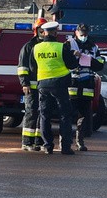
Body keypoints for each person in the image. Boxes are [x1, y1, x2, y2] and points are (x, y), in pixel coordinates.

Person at [30, 21, 78, 155]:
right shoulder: (61, 47)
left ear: (44, 33)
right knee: (65, 115)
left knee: (45, 115)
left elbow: (33, 68)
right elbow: (72, 65)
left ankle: (48, 146)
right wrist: (75, 56)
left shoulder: (36, 48)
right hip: (60, 85)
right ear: (55, 32)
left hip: (43, 85)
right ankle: (65, 147)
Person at [67, 24, 104, 151]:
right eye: (82, 34)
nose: (84, 36)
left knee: (84, 115)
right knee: (67, 114)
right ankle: (65, 141)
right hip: (72, 83)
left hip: (87, 84)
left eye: (86, 34)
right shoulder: (69, 44)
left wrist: (90, 60)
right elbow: (64, 61)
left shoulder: (93, 47)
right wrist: (74, 56)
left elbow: (100, 65)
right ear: (76, 32)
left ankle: (80, 141)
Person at [17, 18, 46, 151]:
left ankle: (38, 142)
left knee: (42, 113)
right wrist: (25, 83)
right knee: (31, 112)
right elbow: (22, 67)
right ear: (36, 29)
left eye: (44, 28)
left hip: (44, 86)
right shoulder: (28, 47)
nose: (42, 30)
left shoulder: (48, 45)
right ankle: (27, 142)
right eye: (40, 27)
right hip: (32, 87)